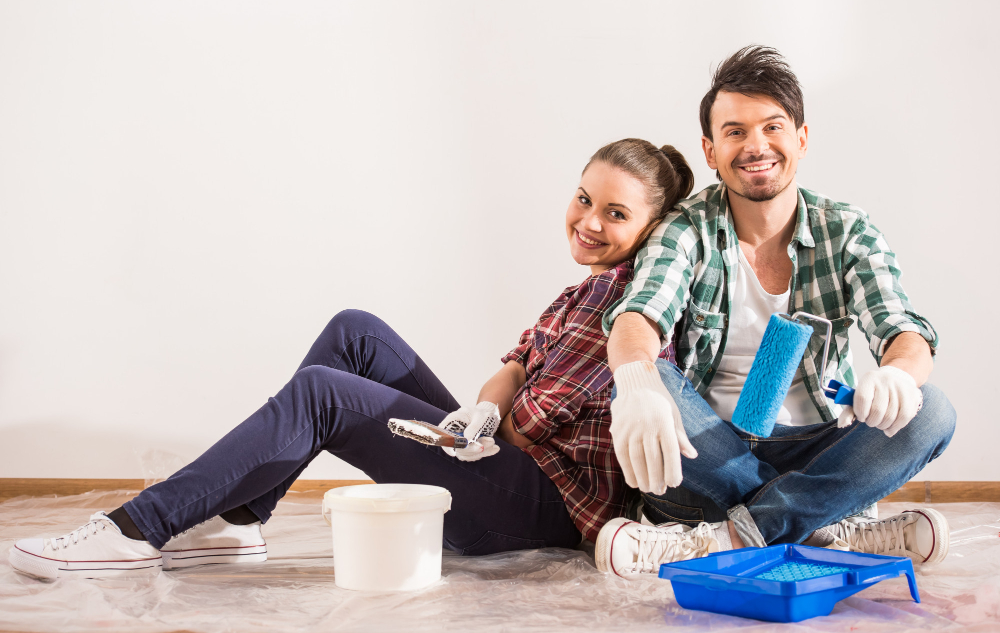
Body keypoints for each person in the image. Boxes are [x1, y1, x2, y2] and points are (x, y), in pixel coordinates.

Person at [10, 138, 695, 580]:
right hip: (512, 466)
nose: (588, 221)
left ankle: (135, 529)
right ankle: (239, 522)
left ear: (651, 228)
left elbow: (534, 422)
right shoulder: (581, 289)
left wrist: (467, 435)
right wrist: (481, 411)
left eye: (615, 214)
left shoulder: (633, 304)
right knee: (356, 333)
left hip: (543, 508)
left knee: (324, 393)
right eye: (584, 198)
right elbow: (516, 368)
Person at [592, 46, 956, 577]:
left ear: (801, 138)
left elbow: (902, 328)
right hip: (708, 453)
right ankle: (830, 529)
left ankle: (723, 540)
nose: (755, 145)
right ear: (710, 150)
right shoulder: (686, 228)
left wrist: (899, 373)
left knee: (933, 410)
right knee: (653, 381)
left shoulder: (847, 230)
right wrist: (636, 379)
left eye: (772, 127)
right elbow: (639, 315)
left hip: (818, 451)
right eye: (735, 131)